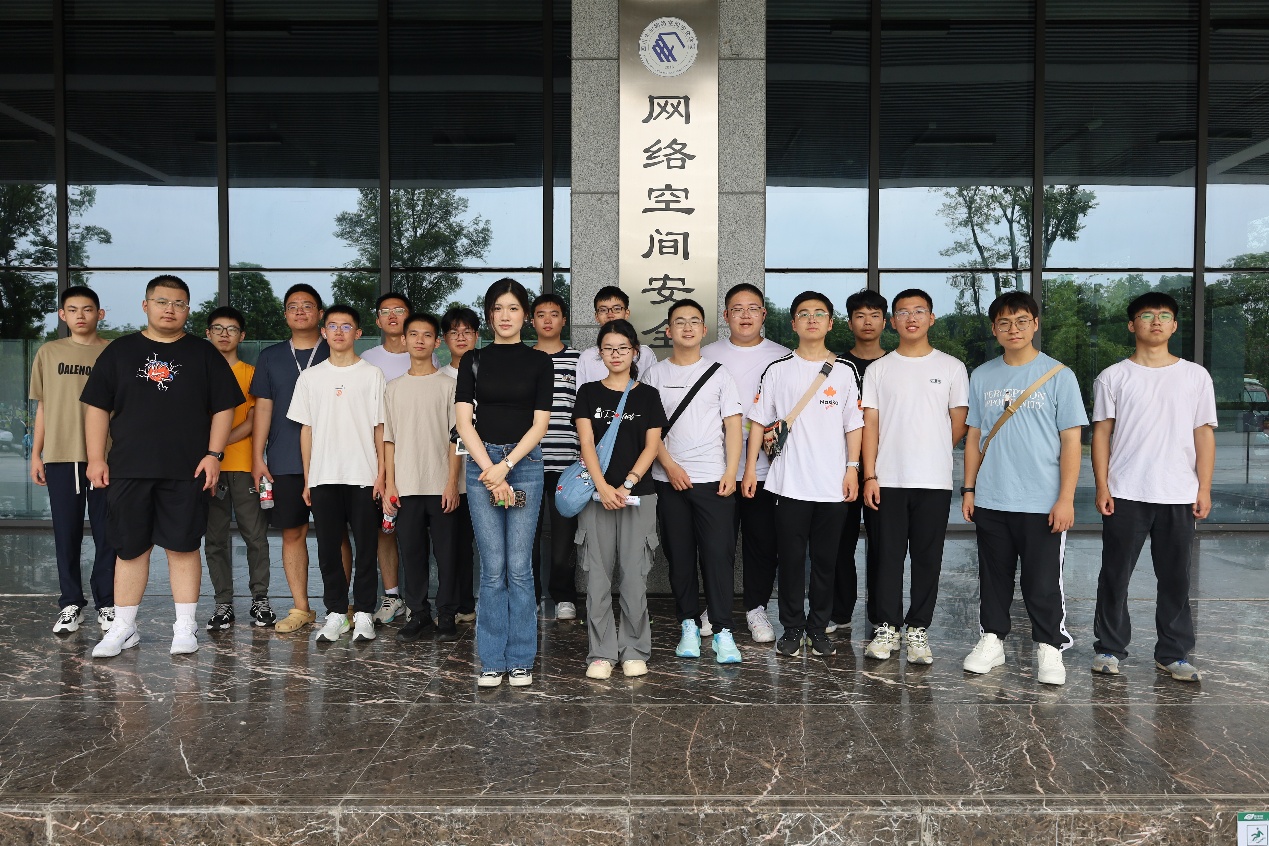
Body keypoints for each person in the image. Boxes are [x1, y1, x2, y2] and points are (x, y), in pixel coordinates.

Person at [82, 275, 244, 658]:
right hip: (128, 467)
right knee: (130, 550)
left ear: (188, 309)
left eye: (178, 303)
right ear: (146, 305)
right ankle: (124, 628)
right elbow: (97, 408)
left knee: (183, 547)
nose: (170, 309)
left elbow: (225, 407)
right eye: (162, 302)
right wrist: (96, 458)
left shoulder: (204, 353)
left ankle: (185, 626)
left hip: (186, 469)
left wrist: (214, 454)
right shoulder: (120, 351)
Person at [960, 292, 1086, 686]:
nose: (1012, 329)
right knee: (993, 577)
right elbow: (974, 437)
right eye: (1004, 322)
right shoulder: (982, 375)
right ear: (994, 329)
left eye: (1021, 321)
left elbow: (1071, 441)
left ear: (1035, 324)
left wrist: (1065, 498)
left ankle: (1049, 645)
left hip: (1042, 501)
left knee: (1042, 581)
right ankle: (992, 640)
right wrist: (969, 489)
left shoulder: (1059, 375)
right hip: (992, 497)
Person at [1090, 291, 1216, 683]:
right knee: (1115, 575)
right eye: (1147, 315)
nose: (1156, 321)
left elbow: (1204, 434)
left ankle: (1173, 653)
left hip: (1179, 492)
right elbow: (1101, 434)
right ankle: (1109, 648)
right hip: (1126, 490)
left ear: (1174, 325)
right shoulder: (1113, 377)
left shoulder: (1195, 376)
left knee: (1176, 578)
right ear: (1133, 325)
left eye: (1164, 315)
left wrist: (1204, 488)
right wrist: (1102, 485)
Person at [744, 291, 864, 659]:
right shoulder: (778, 370)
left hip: (832, 485)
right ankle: (792, 627)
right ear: (793, 323)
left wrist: (853, 469)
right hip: (788, 485)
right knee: (791, 560)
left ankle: (818, 628)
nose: (812, 319)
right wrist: (749, 470)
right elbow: (758, 422)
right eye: (804, 314)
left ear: (830, 323)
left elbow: (853, 425)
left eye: (819, 314)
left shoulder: (845, 371)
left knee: (826, 562)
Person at [454, 278, 553, 688]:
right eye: (498, 308)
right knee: (492, 569)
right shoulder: (472, 360)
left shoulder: (540, 362)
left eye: (513, 308)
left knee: (519, 568)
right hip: (482, 464)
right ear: (489, 314)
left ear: (524, 315)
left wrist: (507, 465)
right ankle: (492, 660)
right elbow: (464, 423)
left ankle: (521, 659)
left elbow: (540, 424)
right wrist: (491, 471)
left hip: (525, 464)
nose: (506, 315)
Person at [861, 289, 969, 664]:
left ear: (931, 318)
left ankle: (918, 629)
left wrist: (931, 447)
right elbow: (870, 426)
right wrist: (869, 476)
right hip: (887, 479)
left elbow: (958, 422)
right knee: (886, 558)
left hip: (933, 481)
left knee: (927, 559)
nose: (911, 318)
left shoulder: (952, 367)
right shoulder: (879, 369)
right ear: (893, 322)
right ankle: (887, 628)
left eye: (919, 311)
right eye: (903, 312)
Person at [645, 299, 744, 664]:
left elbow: (733, 425)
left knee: (718, 556)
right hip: (668, 481)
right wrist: (669, 466)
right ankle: (688, 624)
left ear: (704, 330)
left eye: (694, 321)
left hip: (713, 481)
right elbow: (650, 431)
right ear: (668, 331)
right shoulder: (654, 375)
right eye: (679, 322)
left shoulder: (719, 373)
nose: (687, 327)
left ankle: (722, 631)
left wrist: (730, 472)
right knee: (680, 556)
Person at [288, 304, 387, 644]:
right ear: (324, 332)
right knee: (328, 548)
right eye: (333, 326)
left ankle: (364, 612)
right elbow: (306, 430)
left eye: (347, 326)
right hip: (323, 476)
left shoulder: (372, 374)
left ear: (358, 333)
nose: (340, 332)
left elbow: (380, 428)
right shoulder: (310, 377)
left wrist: (381, 474)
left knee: (367, 547)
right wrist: (308, 478)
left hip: (364, 475)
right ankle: (335, 613)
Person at [574, 319, 666, 680]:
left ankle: (634, 649)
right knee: (597, 579)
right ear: (600, 353)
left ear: (635, 352)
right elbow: (586, 443)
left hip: (638, 496)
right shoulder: (588, 393)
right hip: (595, 497)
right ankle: (600, 652)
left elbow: (652, 446)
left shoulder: (647, 395)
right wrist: (602, 486)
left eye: (623, 348)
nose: (615, 354)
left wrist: (627, 484)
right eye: (608, 349)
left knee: (634, 578)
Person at [703, 283, 789, 643]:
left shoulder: (783, 357)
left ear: (764, 315)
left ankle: (756, 608)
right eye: (737, 309)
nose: (745, 315)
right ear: (725, 316)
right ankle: (715, 606)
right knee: (717, 544)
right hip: (715, 467)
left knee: (762, 543)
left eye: (753, 308)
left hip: (765, 469)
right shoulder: (707, 355)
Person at [30, 286, 116, 634]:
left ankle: (107, 602)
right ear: (62, 315)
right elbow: (43, 406)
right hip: (61, 456)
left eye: (88, 309)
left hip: (106, 458)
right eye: (73, 309)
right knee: (66, 534)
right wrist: (36, 453)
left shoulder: (113, 353)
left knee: (108, 534)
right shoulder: (48, 352)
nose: (81, 315)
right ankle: (70, 603)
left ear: (100, 313)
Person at [249, 284, 332, 633]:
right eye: (293, 306)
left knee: (336, 535)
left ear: (320, 314)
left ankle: (340, 608)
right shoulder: (271, 356)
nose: (300, 311)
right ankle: (301, 608)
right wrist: (258, 456)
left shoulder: (335, 348)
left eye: (307, 305)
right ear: (285, 315)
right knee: (292, 533)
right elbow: (263, 409)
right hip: (284, 459)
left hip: (333, 459)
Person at [383, 314, 463, 642]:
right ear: (403, 340)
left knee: (447, 555)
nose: (419, 340)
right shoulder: (393, 388)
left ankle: (447, 614)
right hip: (406, 485)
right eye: (413, 334)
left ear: (436, 342)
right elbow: (388, 439)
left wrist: (452, 483)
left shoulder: (450, 386)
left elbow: (458, 438)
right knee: (412, 555)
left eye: (427, 335)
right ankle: (418, 614)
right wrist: (389, 483)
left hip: (443, 485)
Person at [203, 306, 273, 630]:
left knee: (255, 536)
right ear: (208, 333)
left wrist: (216, 445)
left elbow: (253, 420)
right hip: (210, 471)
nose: (224, 334)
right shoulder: (200, 372)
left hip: (244, 465)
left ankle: (260, 600)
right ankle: (223, 604)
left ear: (241, 336)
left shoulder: (251, 373)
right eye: (218, 328)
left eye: (231, 329)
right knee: (215, 539)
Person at [831, 289, 888, 634]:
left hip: (884, 469)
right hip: (843, 468)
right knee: (840, 543)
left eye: (874, 315)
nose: (868, 322)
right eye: (860, 316)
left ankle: (882, 616)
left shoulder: (895, 365)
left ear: (885, 321)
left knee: (884, 545)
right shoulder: (836, 366)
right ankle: (839, 612)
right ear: (849, 322)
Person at [360, 292, 413, 626]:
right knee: (385, 527)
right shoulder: (367, 359)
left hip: (415, 454)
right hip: (377, 455)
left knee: (417, 528)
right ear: (377, 320)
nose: (392, 315)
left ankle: (419, 598)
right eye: (385, 311)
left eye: (399, 310)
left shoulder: (424, 353)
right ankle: (392, 595)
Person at [529, 293, 582, 620]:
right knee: (526, 537)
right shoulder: (521, 358)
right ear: (531, 320)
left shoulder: (579, 360)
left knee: (564, 538)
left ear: (564, 320)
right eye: (540, 314)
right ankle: (530, 596)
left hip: (568, 464)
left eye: (554, 314)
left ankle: (564, 596)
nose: (547, 320)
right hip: (527, 463)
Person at [439, 306, 481, 624]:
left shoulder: (489, 373)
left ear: (477, 336)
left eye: (467, 331)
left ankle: (472, 604)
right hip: (451, 477)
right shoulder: (438, 377)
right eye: (454, 332)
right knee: (453, 544)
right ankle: (456, 604)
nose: (461, 337)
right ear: (444, 339)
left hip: (487, 472)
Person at [574, 286, 658, 387]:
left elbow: (652, 391)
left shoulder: (644, 354)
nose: (610, 315)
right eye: (603, 310)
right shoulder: (587, 357)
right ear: (596, 316)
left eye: (617, 309)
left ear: (627, 313)